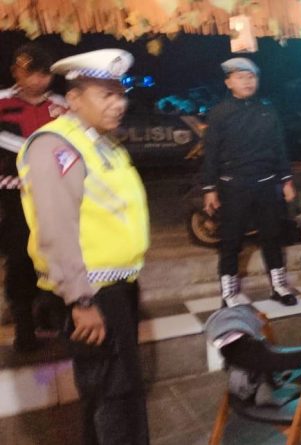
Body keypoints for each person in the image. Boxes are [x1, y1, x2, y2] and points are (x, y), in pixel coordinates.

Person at [17, 49, 149, 444]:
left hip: (115, 287)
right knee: (114, 397)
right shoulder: (56, 145)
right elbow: (55, 228)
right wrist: (80, 301)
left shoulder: (102, 142)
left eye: (120, 93)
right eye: (105, 94)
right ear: (73, 99)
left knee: (113, 394)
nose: (118, 103)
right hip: (91, 292)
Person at [201, 57, 297, 307]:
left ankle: (279, 287)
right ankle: (229, 294)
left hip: (266, 183)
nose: (247, 82)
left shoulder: (267, 111)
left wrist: (286, 180)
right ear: (228, 82)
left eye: (251, 77)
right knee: (231, 240)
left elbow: (279, 148)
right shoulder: (219, 113)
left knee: (272, 236)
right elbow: (210, 152)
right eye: (241, 77)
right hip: (233, 185)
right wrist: (209, 188)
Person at [0, 43, 66, 352]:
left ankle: (55, 318)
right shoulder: (2, 102)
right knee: (20, 260)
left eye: (44, 74)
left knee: (57, 257)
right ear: (16, 72)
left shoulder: (61, 106)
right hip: (15, 201)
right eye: (31, 73)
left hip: (55, 197)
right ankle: (24, 328)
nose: (39, 80)